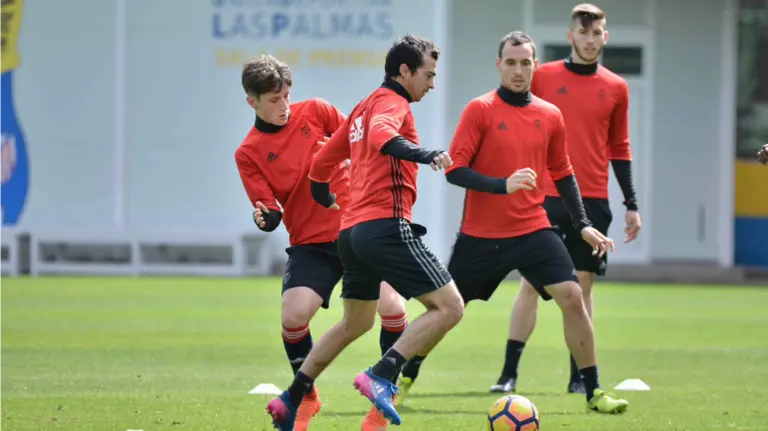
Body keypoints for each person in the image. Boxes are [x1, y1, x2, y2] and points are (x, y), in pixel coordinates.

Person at [399, 30, 629, 414]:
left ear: (535, 66)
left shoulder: (550, 114)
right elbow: (455, 170)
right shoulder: (480, 109)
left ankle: (593, 392)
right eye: (511, 62)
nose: (518, 70)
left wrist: (583, 224)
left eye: (526, 62)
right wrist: (501, 185)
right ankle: (405, 376)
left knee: (573, 296)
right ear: (499, 65)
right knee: (446, 311)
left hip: (533, 228)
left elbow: (564, 172)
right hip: (481, 235)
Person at [265, 34, 465, 431]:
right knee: (450, 307)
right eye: (428, 74)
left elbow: (321, 161)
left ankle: (293, 396)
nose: (432, 83)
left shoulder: (361, 107)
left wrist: (323, 192)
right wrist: (425, 154)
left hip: (351, 232)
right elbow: (381, 137)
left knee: (356, 323)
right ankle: (384, 373)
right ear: (404, 71)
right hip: (384, 226)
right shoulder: (393, 104)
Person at [234, 54, 410, 431]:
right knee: (293, 317)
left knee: (393, 309)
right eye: (273, 100)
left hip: (357, 228)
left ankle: (382, 403)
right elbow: (267, 207)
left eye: (286, 95)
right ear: (252, 102)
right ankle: (307, 397)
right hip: (310, 243)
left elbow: (359, 143)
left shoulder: (316, 111)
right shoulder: (247, 153)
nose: (283, 106)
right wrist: (264, 217)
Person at [490, 3, 642, 395]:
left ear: (604, 37)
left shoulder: (617, 87)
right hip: (544, 196)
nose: (590, 41)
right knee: (529, 283)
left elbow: (620, 148)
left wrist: (631, 204)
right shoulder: (542, 77)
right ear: (570, 35)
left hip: (593, 199)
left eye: (597, 34)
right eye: (583, 33)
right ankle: (508, 374)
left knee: (583, 286)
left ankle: (580, 374)